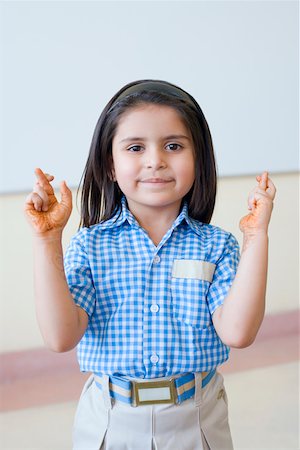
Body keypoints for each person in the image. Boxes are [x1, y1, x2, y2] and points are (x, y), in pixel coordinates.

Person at [24, 79, 276, 450]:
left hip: (198, 419)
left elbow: (238, 333)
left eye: (173, 146)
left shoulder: (217, 245)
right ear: (110, 165)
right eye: (135, 147)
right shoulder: (91, 245)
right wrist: (47, 240)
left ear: (198, 160)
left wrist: (256, 237)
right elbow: (60, 337)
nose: (155, 160)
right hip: (109, 421)